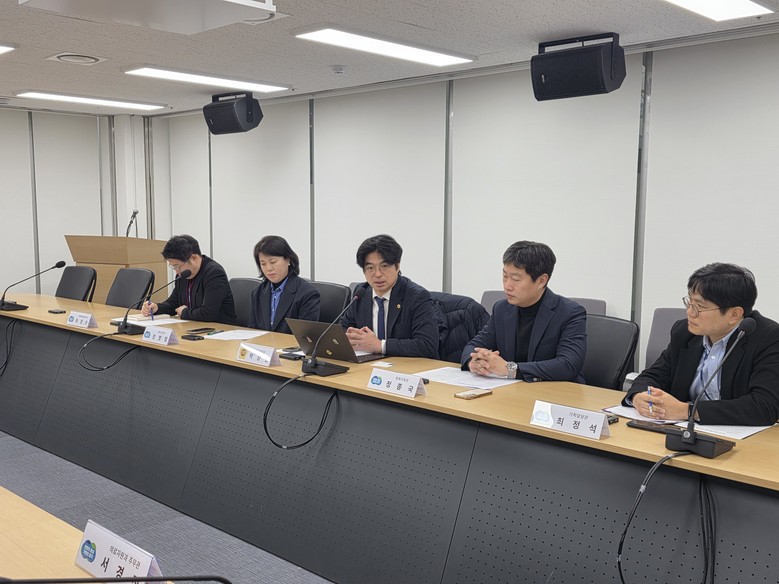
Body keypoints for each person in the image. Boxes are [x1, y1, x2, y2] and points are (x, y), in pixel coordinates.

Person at [624, 263, 779, 426]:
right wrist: (638, 396)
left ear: (734, 314)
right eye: (689, 303)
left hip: (740, 436)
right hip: (683, 431)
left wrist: (688, 411)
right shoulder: (684, 332)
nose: (690, 312)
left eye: (699, 307)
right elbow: (654, 375)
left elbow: (764, 406)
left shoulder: (769, 338)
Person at [461, 240, 586, 382]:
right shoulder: (501, 309)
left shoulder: (570, 313)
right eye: (505, 276)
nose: (507, 286)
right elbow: (473, 346)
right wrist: (474, 361)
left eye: (515, 279)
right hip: (513, 390)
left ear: (541, 281)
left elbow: (568, 365)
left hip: (555, 392)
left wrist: (510, 369)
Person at [340, 234, 438, 359]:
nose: (377, 274)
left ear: (397, 266)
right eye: (370, 268)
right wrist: (351, 337)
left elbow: (427, 346)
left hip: (405, 367)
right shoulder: (361, 293)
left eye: (384, 266)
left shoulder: (416, 297)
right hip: (369, 365)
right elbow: (343, 328)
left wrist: (380, 345)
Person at [142, 234, 237, 325]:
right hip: (194, 327)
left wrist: (184, 312)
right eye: (173, 267)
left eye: (178, 266)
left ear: (194, 258)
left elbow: (208, 313)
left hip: (220, 330)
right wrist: (157, 308)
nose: (176, 271)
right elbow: (173, 304)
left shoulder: (214, 273)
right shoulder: (184, 275)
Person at [248, 235, 320, 333]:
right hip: (263, 343)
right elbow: (252, 331)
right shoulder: (258, 292)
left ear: (288, 260)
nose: (269, 268)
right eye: (263, 264)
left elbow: (305, 335)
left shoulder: (307, 294)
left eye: (273, 262)